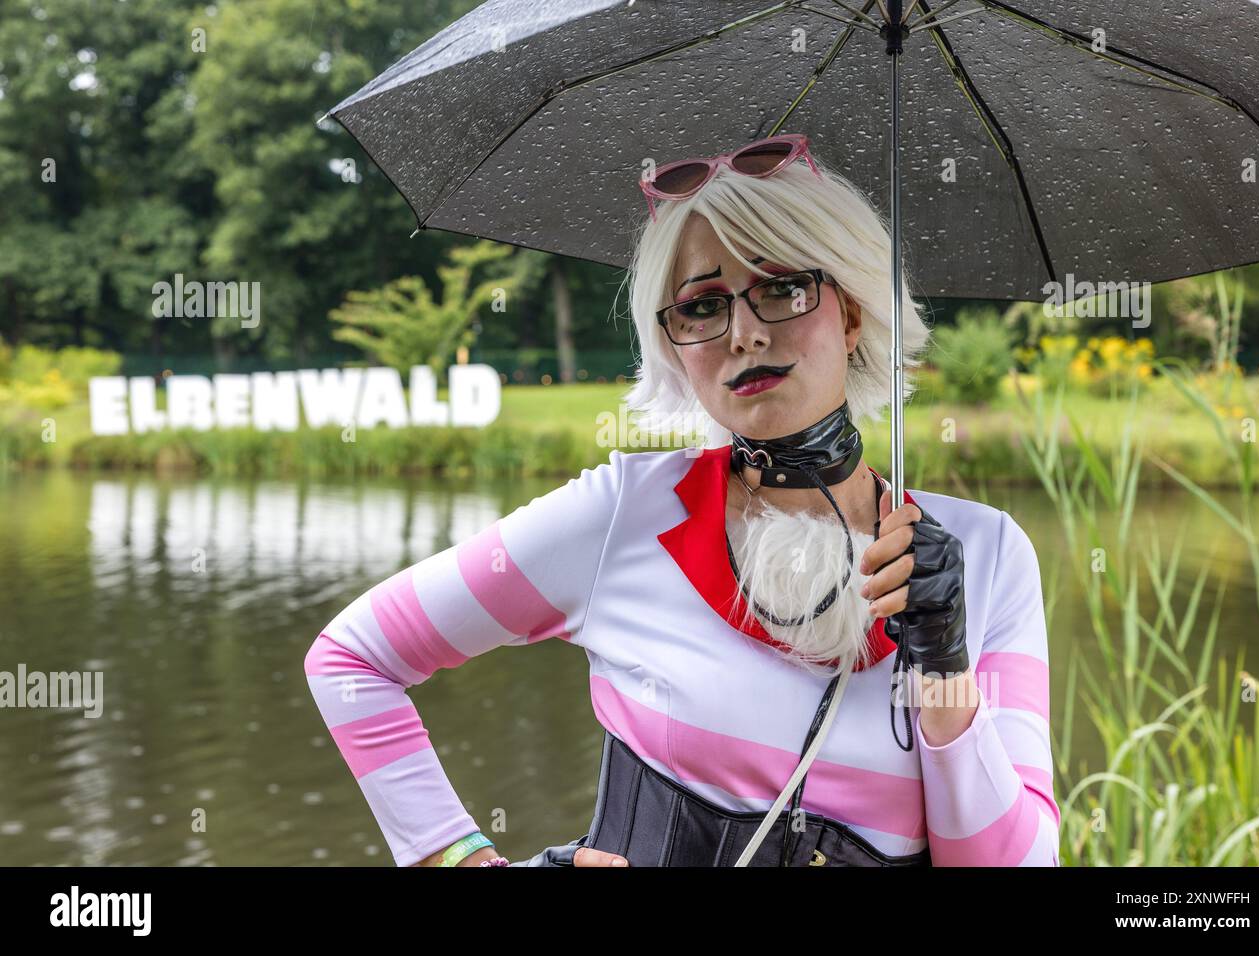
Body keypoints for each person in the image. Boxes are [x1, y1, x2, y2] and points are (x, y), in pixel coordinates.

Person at [304, 134, 1060, 867]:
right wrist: (460, 858)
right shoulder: (622, 515)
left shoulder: (986, 555)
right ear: (673, 343)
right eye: (702, 305)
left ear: (852, 311)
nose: (744, 333)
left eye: (783, 287)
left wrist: (946, 671)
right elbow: (352, 661)